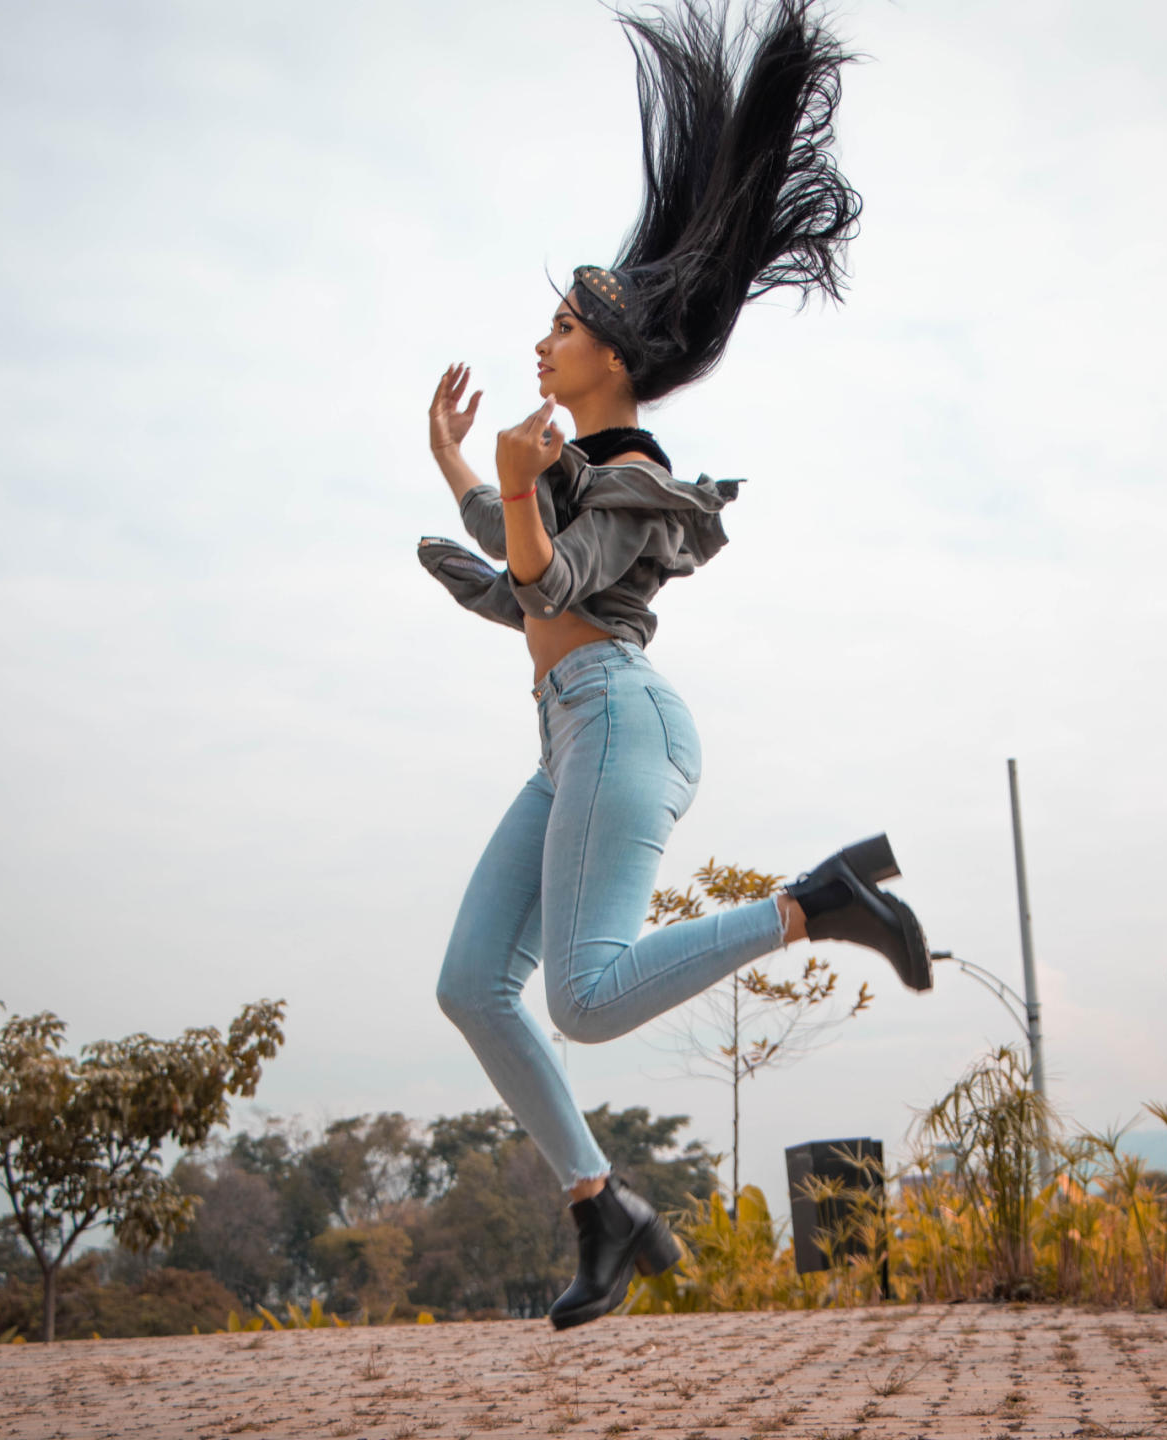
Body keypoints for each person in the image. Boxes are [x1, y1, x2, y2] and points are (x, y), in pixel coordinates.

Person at [417, 0, 928, 1332]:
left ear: (610, 355)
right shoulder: (578, 465)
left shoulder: (635, 472)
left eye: (561, 327)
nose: (542, 343)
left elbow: (549, 579)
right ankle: (605, 1210)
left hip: (619, 721)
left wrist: (511, 489)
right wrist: (464, 466)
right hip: (571, 733)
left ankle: (815, 904)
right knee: (473, 986)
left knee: (584, 1000)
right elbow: (522, 550)